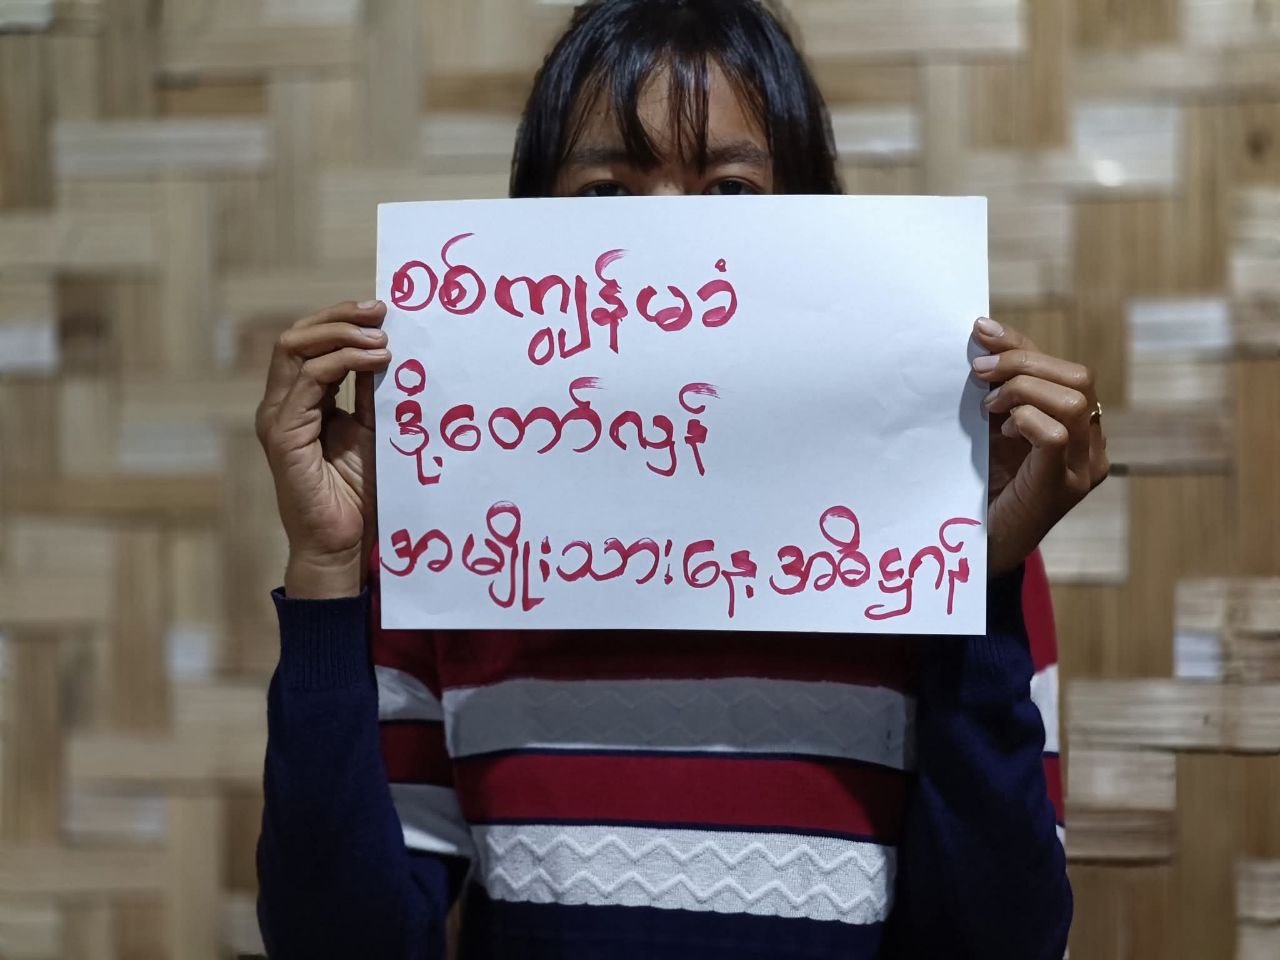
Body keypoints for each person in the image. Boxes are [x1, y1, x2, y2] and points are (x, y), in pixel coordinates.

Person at [253, 1, 1105, 957]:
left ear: (819, 223)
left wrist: (977, 587)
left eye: (731, 190)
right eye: (605, 194)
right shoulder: (450, 548)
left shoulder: (945, 532)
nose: (666, 243)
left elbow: (1001, 941)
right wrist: (326, 568)